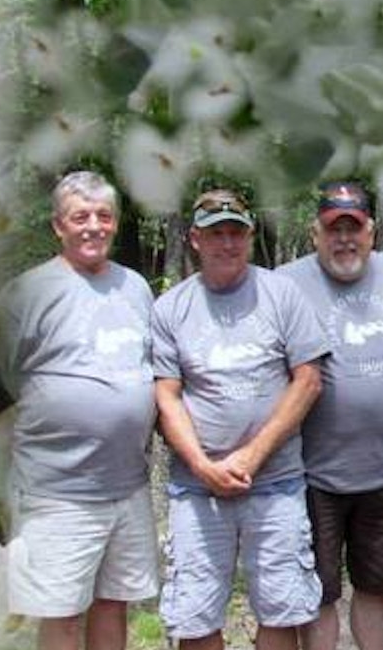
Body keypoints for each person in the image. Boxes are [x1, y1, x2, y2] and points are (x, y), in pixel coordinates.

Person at [152, 188, 328, 650]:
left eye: (236, 233)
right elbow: (166, 397)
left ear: (250, 235)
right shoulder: (171, 308)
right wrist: (204, 466)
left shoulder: (281, 294)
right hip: (196, 490)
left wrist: (251, 455)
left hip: (276, 483)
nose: (227, 244)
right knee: (193, 616)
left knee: (282, 610)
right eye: (216, 234)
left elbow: (308, 379)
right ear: (195, 239)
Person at [0, 171, 159, 650]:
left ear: (115, 223)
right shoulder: (28, 292)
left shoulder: (135, 288)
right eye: (80, 217)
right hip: (56, 493)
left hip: (127, 487)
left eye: (103, 216)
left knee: (113, 604)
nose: (93, 226)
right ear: (58, 227)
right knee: (63, 615)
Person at [277, 181, 383, 650]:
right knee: (318, 592)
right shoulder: (284, 284)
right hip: (311, 473)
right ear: (314, 233)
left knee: (375, 587)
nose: (344, 240)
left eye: (353, 229)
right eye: (332, 229)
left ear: (371, 232)